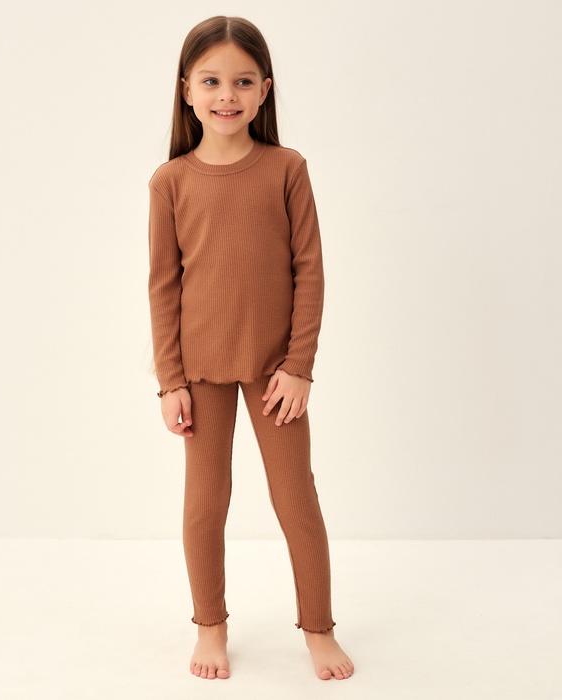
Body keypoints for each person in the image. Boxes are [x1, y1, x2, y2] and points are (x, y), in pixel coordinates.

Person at [147, 15, 354, 682]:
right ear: (186, 90)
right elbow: (163, 286)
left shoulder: (287, 170)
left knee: (296, 501)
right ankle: (210, 626)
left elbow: (310, 271)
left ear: (265, 90)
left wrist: (299, 367)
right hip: (200, 373)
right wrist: (170, 380)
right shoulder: (170, 181)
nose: (226, 95)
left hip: (276, 375)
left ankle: (318, 629)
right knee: (205, 505)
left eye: (242, 81)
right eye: (211, 81)